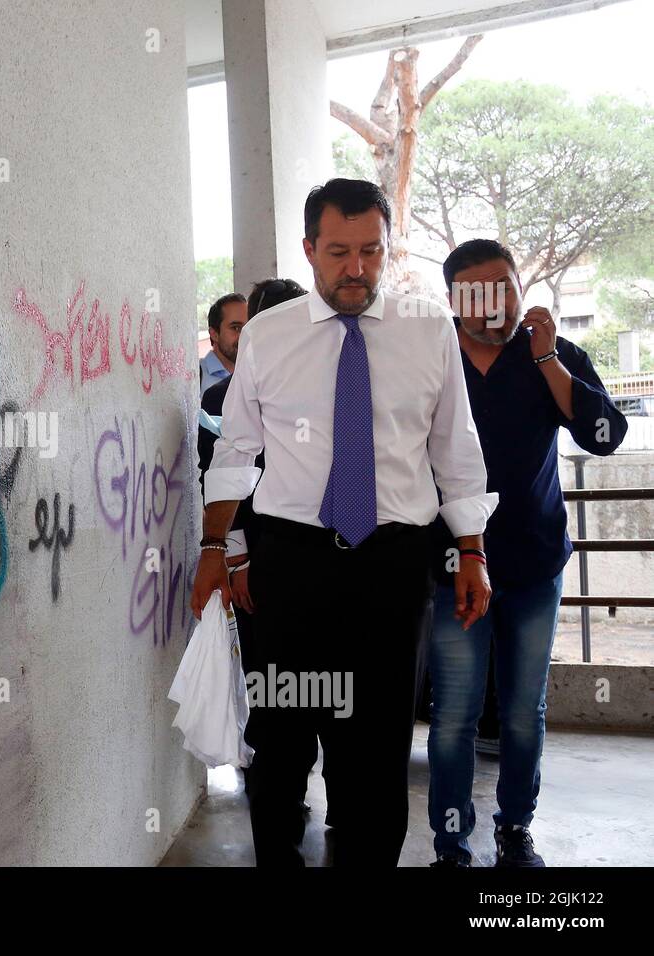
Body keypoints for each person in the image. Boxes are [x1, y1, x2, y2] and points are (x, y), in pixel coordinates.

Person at [191, 178, 497, 867]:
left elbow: (455, 447)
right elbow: (236, 448)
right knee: (281, 737)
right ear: (309, 250)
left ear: (389, 250)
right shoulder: (268, 335)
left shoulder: (428, 333)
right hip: (291, 566)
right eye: (337, 252)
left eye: (370, 251)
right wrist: (218, 546)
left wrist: (471, 551)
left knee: (378, 746)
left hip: (392, 567)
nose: (355, 268)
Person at [427, 239, 628, 868]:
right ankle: (451, 844)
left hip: (535, 562)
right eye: (480, 291)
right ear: (455, 299)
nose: (498, 304)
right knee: (454, 713)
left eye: (507, 286)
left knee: (522, 711)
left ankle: (515, 829)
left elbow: (604, 436)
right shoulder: (430, 359)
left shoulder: (551, 353)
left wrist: (547, 360)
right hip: (453, 564)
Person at [196, 278, 319, 823]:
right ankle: (279, 802)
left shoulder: (330, 387)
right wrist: (236, 558)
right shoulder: (219, 399)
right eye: (248, 325)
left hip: (325, 560)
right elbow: (223, 479)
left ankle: (331, 795)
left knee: (333, 688)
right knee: (274, 693)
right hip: (261, 560)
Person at [200, 292, 247, 393]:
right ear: (214, 334)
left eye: (248, 328)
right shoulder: (197, 377)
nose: (245, 336)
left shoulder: (255, 376)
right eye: (236, 328)